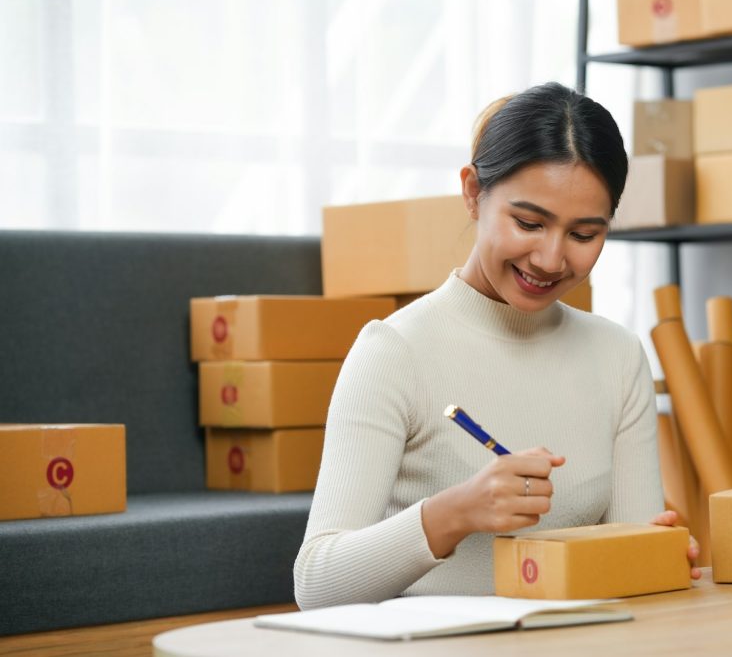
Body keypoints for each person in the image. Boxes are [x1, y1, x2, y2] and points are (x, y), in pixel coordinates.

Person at [294, 82, 700, 609]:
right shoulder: (394, 351)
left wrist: (653, 556)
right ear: (471, 192)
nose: (552, 259)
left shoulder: (618, 356)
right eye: (529, 223)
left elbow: (623, 572)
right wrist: (454, 514)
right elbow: (317, 585)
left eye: (584, 235)